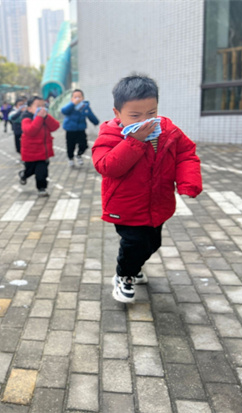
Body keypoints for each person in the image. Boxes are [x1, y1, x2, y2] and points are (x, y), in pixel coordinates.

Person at [92, 74, 202, 303]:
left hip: (158, 203)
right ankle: (124, 276)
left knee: (153, 243)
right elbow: (106, 166)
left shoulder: (167, 130)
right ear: (117, 113)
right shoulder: (111, 135)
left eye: (151, 113)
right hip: (125, 206)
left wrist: (188, 181)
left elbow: (185, 153)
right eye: (135, 116)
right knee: (135, 243)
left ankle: (134, 266)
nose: (145, 121)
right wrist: (135, 141)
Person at [18, 95, 60, 197]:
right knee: (30, 170)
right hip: (30, 152)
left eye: (43, 106)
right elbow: (30, 131)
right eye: (38, 106)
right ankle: (24, 174)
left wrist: (46, 117)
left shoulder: (45, 117)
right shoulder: (26, 118)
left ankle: (42, 188)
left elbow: (55, 126)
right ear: (29, 109)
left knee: (42, 172)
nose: (41, 108)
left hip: (43, 152)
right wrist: (39, 117)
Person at [61, 89, 99, 168]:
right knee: (70, 146)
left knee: (84, 145)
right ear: (72, 98)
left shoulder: (85, 107)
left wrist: (96, 122)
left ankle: (79, 155)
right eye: (75, 97)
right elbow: (64, 111)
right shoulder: (70, 106)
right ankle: (70, 158)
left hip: (81, 129)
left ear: (83, 98)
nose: (77, 98)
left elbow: (90, 115)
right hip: (70, 130)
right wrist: (73, 104)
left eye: (79, 97)